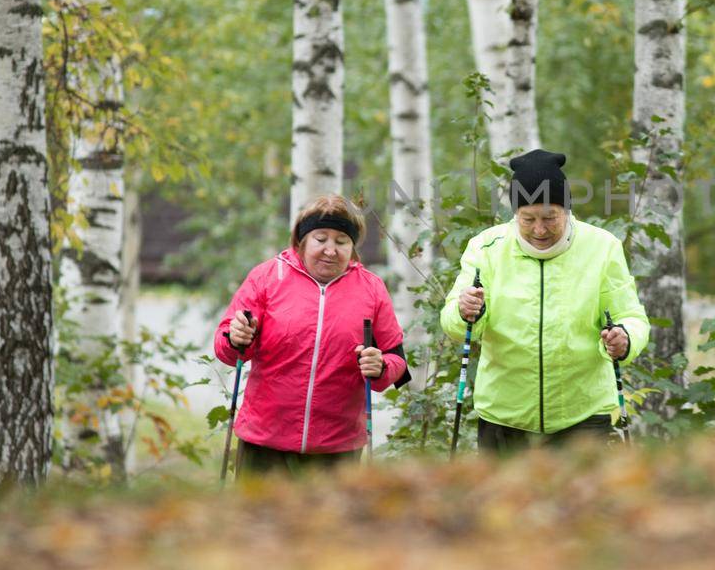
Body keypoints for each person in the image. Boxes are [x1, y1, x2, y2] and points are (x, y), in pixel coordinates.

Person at [441, 149, 650, 452]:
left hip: (583, 416)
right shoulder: (486, 248)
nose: (539, 229)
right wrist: (464, 310)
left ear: (567, 210)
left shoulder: (602, 248)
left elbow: (631, 316)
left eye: (550, 217)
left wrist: (625, 338)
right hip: (505, 416)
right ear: (515, 214)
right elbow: (453, 321)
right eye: (528, 219)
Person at [214, 194, 408, 476]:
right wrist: (235, 337)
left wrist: (380, 368)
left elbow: (397, 363)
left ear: (352, 248)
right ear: (302, 241)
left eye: (341, 241)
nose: (331, 250)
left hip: (336, 450)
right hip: (265, 444)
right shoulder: (267, 278)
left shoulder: (371, 289)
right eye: (321, 239)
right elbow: (226, 349)